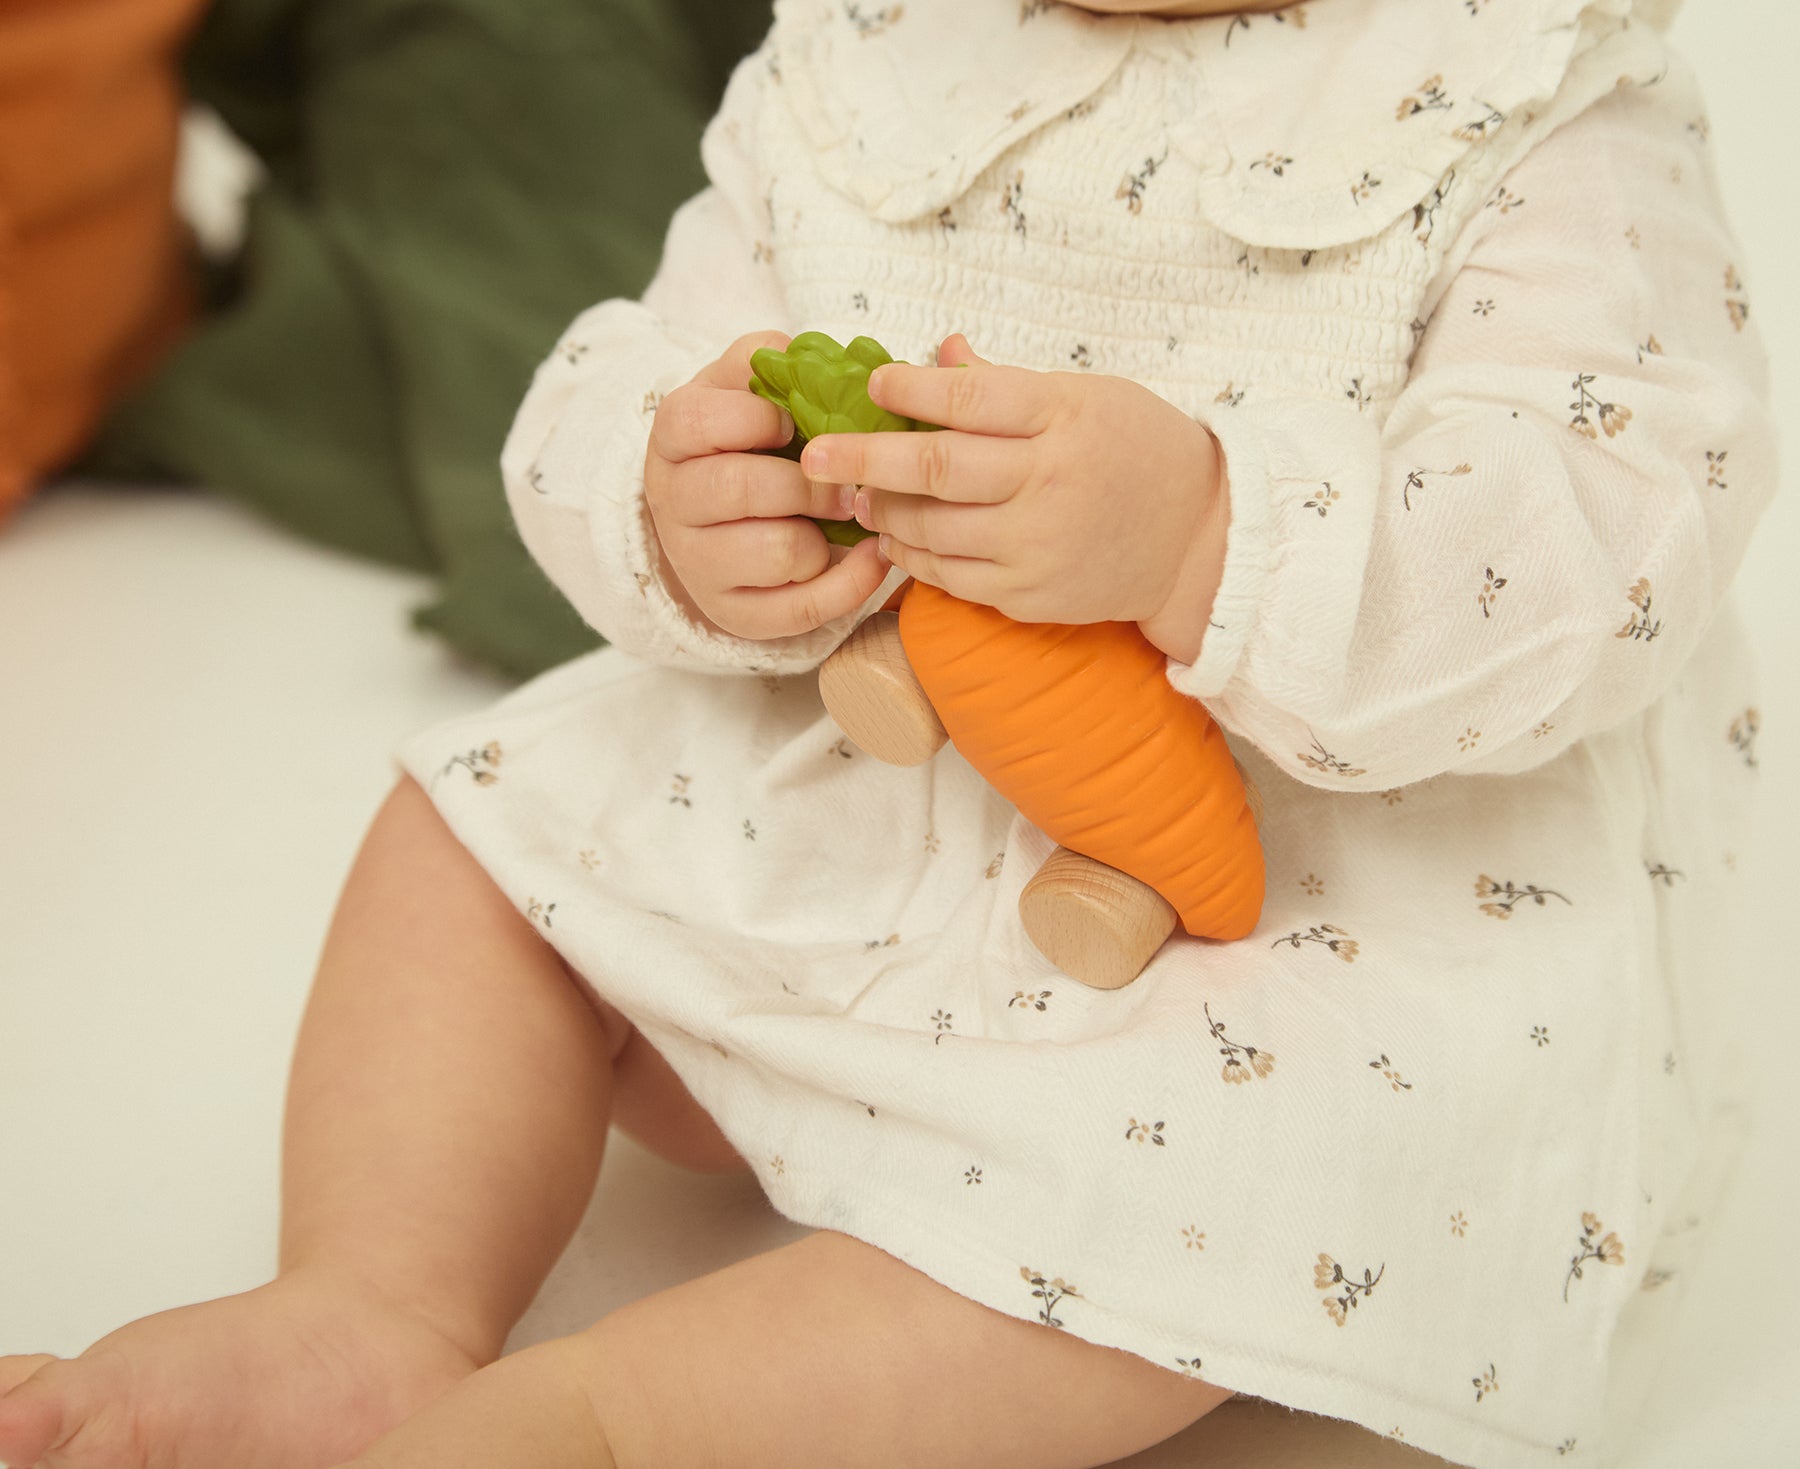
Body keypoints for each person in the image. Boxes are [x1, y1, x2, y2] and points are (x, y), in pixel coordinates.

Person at [0, 0, 1773, 1465]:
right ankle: (374, 1304)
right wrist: (678, 494)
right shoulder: (878, 56)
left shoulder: (1533, 88)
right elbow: (652, 355)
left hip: (1284, 885)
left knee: (1251, 1173)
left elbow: (1615, 542)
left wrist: (1208, 535)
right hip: (876, 768)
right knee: (468, 846)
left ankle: (618, 1423)